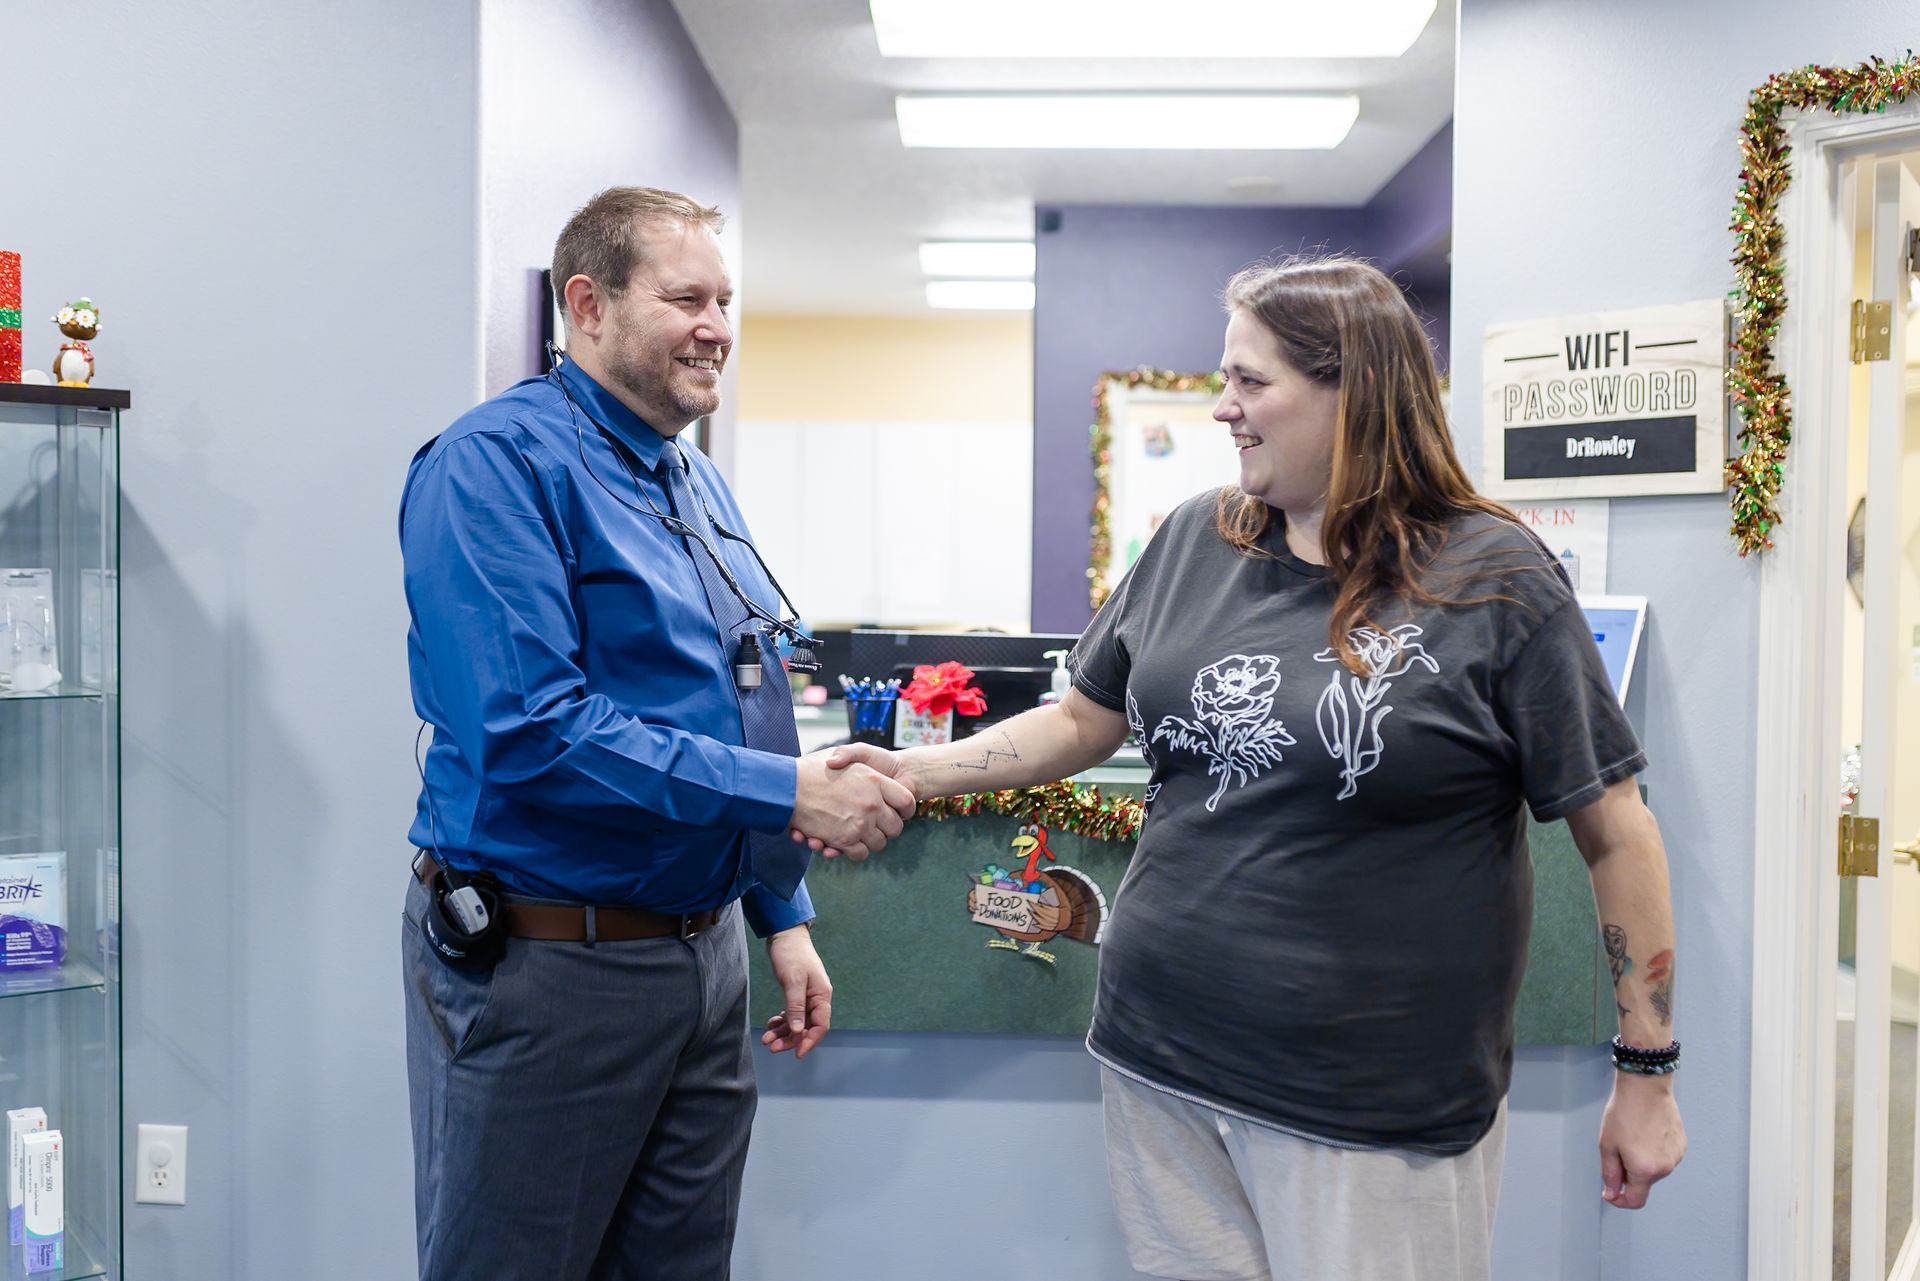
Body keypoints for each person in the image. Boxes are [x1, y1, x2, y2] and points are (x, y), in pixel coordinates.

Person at [818, 255, 1686, 1281]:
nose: (1225, 409)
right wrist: (916, 774)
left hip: (1371, 1095)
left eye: (1251, 382)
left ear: (1354, 391)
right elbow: (1084, 721)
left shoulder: (1491, 576)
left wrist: (1646, 1072)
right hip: (1162, 1060)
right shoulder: (1197, 536)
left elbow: (1616, 827)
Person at [397, 185, 915, 1281]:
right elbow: (530, 729)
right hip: (549, 963)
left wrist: (780, 911)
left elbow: (745, 691)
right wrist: (787, 800)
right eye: (686, 297)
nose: (717, 326)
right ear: (587, 305)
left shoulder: (695, 477)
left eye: (725, 299)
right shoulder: (495, 466)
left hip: (703, 964)